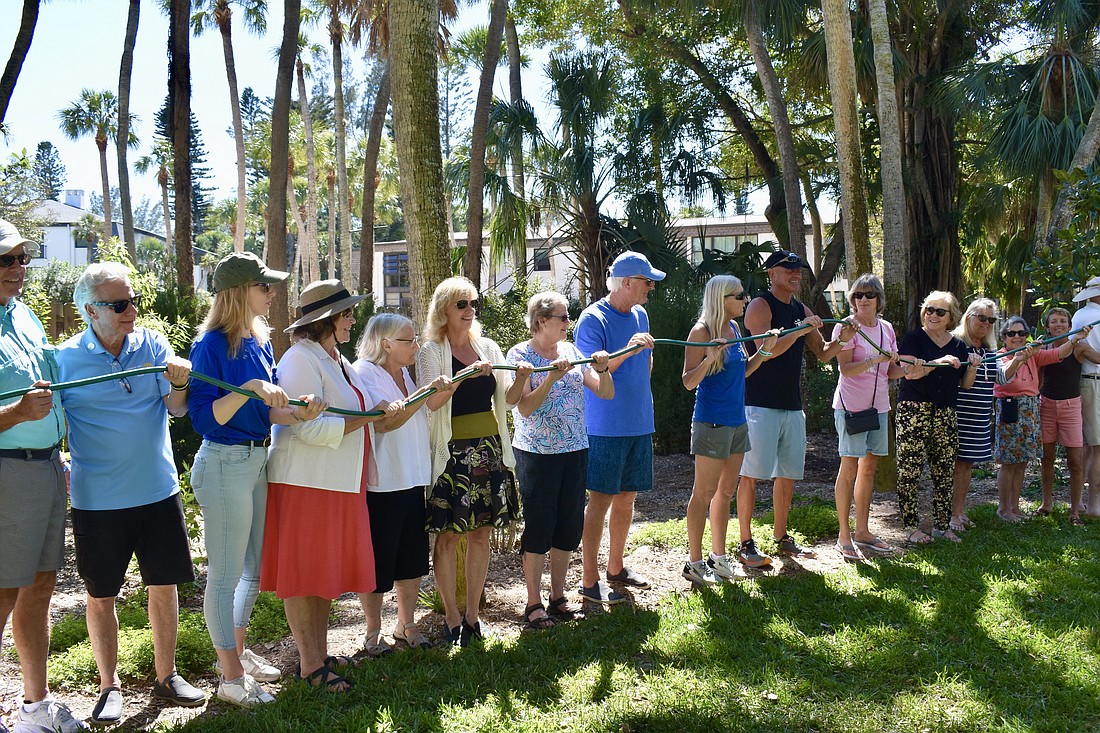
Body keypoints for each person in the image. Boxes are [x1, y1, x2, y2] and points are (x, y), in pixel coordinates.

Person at [56, 263, 204, 725]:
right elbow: (53, 422)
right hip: (97, 500)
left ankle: (167, 675)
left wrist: (179, 382)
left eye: (132, 301)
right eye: (119, 304)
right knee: (101, 594)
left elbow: (177, 409)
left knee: (164, 584)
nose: (131, 311)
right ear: (90, 310)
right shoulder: (63, 359)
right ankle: (109, 686)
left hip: (157, 490)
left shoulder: (152, 345)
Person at [188, 252, 325, 707]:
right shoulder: (210, 345)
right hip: (223, 462)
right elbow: (204, 419)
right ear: (238, 292)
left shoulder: (260, 341)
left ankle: (237, 654)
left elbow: (268, 413)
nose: (271, 293)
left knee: (254, 568)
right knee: (225, 576)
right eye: (264, 286)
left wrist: (300, 412)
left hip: (255, 459)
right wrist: (247, 388)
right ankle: (230, 678)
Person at [261, 280, 399, 692]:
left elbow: (350, 412)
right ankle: (309, 664)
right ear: (327, 319)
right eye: (347, 314)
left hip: (336, 482)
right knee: (304, 575)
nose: (353, 320)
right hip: (305, 482)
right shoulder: (300, 359)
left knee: (321, 573)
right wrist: (366, 418)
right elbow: (309, 429)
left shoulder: (335, 358)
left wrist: (377, 411)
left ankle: (318, 656)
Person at [0, 219, 89, 733]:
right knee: (2, 592)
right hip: (8, 474)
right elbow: (20, 407)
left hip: (48, 468)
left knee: (39, 586)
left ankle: (34, 709)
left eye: (22, 257)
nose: (18, 267)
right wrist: (15, 413)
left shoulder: (24, 314)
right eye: (5, 259)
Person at [416, 277, 524, 645]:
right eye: (461, 304)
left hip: (489, 451)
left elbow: (509, 399)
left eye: (473, 303)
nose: (469, 310)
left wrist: (521, 378)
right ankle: (451, 616)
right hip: (451, 454)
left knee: (481, 534)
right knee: (447, 537)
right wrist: (462, 376)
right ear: (443, 310)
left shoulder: (488, 347)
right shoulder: (431, 351)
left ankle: (473, 616)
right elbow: (431, 403)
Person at [734, 249, 855, 567]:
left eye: (798, 269)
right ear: (772, 274)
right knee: (750, 475)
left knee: (787, 475)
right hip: (758, 403)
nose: (796, 274)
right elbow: (766, 352)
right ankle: (745, 543)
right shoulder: (760, 306)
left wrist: (842, 339)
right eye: (788, 269)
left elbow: (823, 352)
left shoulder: (801, 309)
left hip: (791, 404)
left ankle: (782, 536)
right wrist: (800, 329)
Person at [507, 292, 613, 625]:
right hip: (537, 454)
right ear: (541, 321)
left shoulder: (570, 351)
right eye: (563, 317)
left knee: (568, 526)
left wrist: (603, 369)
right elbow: (524, 407)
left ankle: (557, 597)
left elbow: (605, 391)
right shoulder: (520, 354)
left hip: (575, 450)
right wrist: (551, 377)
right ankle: (533, 603)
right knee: (540, 526)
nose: (569, 322)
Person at [352, 314, 448, 652]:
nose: (416, 346)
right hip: (383, 482)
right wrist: (425, 393)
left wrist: (439, 391)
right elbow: (383, 423)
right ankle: (372, 630)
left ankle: (406, 624)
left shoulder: (404, 373)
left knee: (411, 558)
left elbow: (414, 411)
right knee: (379, 561)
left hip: (412, 478)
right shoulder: (364, 372)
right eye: (409, 341)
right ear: (386, 344)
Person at [574, 252, 664, 604]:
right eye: (646, 281)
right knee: (600, 500)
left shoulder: (640, 314)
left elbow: (647, 362)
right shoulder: (592, 318)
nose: (650, 287)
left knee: (627, 497)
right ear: (626, 282)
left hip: (639, 422)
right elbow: (592, 370)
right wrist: (629, 349)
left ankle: (616, 568)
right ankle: (589, 579)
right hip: (605, 427)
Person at [681, 276, 778, 584]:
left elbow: (744, 370)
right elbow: (688, 381)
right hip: (712, 422)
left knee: (725, 492)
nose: (745, 300)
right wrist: (709, 357)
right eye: (739, 295)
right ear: (721, 299)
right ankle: (694, 562)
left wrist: (765, 350)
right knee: (703, 493)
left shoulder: (734, 328)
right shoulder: (701, 332)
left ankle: (718, 558)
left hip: (737, 422)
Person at [895, 291, 980, 544]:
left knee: (943, 471)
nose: (933, 315)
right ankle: (911, 526)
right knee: (909, 470)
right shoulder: (913, 339)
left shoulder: (959, 346)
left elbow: (966, 384)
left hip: (945, 412)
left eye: (940, 311)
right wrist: (938, 361)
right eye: (929, 310)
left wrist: (973, 366)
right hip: (914, 410)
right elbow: (910, 373)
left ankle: (942, 526)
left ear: (950, 317)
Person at [829, 274, 903, 561]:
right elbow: (845, 369)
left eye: (869, 294)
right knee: (849, 469)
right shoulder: (846, 327)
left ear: (879, 299)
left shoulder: (887, 328)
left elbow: (891, 371)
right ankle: (843, 535)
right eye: (858, 294)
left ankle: (862, 530)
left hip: (879, 407)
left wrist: (911, 370)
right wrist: (874, 360)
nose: (863, 299)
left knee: (869, 468)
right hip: (851, 407)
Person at [993, 316, 1083, 522]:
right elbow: (1004, 376)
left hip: (1031, 409)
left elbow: (1058, 353)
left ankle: (1015, 507)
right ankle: (1003, 508)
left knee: (1022, 460)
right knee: (1008, 461)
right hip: (1011, 408)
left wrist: (1075, 339)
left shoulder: (1033, 355)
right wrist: (1019, 358)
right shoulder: (1000, 355)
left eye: (1022, 333)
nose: (1017, 337)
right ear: (1004, 337)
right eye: (1011, 333)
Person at [950, 298, 1015, 532]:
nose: (986, 323)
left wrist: (1019, 359)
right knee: (957, 465)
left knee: (967, 465)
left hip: (979, 416)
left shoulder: (988, 350)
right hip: (959, 414)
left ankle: (960, 511)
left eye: (991, 319)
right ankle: (951, 515)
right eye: (982, 318)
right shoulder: (956, 344)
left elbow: (1002, 377)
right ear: (968, 317)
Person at [1038, 307, 1091, 524]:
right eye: (1053, 321)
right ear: (1047, 326)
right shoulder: (1043, 348)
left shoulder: (1078, 347)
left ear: (1070, 326)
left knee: (1075, 461)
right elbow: (1037, 379)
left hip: (1071, 407)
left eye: (1062, 321)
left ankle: (1075, 511)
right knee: (1047, 458)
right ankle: (1046, 504)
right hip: (1047, 406)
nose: (1058, 324)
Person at [1071, 276, 1100, 517]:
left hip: (1084, 381)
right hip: (1094, 381)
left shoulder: (1080, 315)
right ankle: (1093, 504)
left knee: (1087, 445)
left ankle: (1080, 501)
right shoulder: (1092, 316)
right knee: (1096, 446)